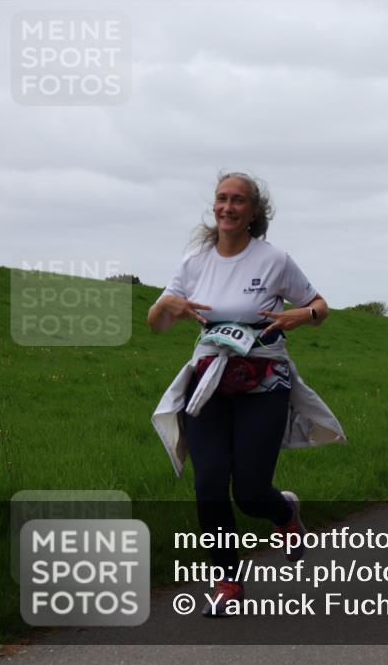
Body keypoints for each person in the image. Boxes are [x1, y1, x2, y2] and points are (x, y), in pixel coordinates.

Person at [149, 172, 346, 616]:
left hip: (263, 381)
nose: (228, 207)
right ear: (213, 206)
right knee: (210, 484)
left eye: (238, 201)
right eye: (221, 199)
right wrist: (169, 307)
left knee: (251, 492)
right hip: (209, 383)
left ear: (254, 212)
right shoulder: (193, 263)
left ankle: (285, 514)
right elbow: (154, 322)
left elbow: (320, 306)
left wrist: (302, 315)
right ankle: (227, 582)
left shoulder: (274, 260)